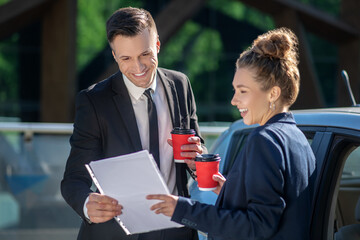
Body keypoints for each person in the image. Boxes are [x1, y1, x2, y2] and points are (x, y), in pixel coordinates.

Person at [147, 27, 316, 240]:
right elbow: (280, 211)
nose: (233, 100)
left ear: (273, 93)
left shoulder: (264, 140)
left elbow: (258, 226)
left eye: (243, 91)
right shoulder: (299, 139)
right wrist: (232, 193)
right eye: (235, 90)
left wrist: (180, 209)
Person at [61, 7, 205, 240]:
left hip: (176, 230)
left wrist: (197, 160)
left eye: (145, 55)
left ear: (157, 45)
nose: (138, 68)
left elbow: (198, 151)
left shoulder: (180, 85)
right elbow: (74, 179)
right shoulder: (94, 101)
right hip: (116, 231)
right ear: (114, 55)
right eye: (126, 58)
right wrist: (88, 204)